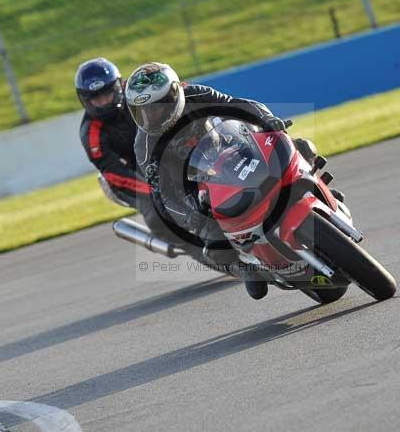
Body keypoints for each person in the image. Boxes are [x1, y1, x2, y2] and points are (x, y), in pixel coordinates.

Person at [124, 61, 313, 300]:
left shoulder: (195, 93)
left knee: (297, 146)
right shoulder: (145, 145)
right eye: (142, 111)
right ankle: (245, 269)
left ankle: (313, 179)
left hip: (228, 147)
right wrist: (188, 215)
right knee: (214, 244)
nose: (150, 116)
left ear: (174, 95)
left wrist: (268, 119)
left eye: (156, 107)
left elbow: (239, 105)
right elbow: (162, 194)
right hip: (193, 186)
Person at [76, 57, 171, 240]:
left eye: (107, 94)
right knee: (154, 208)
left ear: (118, 87)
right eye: (97, 98)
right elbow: (113, 171)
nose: (103, 101)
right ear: (85, 100)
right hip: (127, 175)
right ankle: (180, 244)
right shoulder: (91, 133)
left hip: (158, 155)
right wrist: (151, 190)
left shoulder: (138, 93)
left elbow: (171, 94)